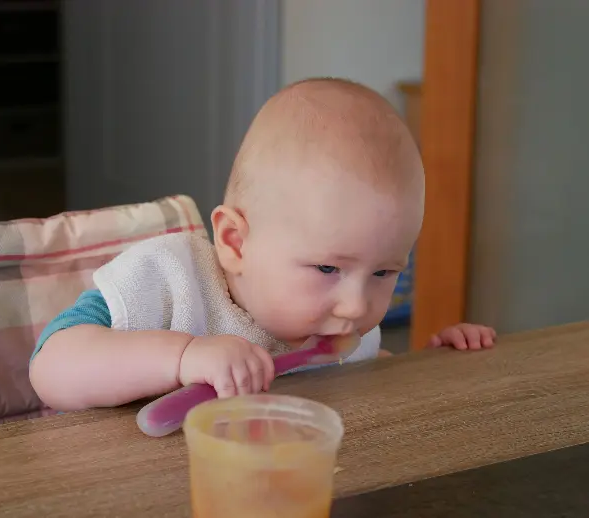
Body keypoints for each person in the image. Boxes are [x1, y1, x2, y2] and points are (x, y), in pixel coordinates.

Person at [29, 78, 496, 412]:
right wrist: (183, 356)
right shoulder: (170, 283)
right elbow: (51, 368)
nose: (356, 306)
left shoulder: (340, 331)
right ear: (235, 242)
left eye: (383, 273)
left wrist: (432, 368)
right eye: (328, 269)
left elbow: (361, 383)